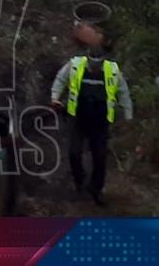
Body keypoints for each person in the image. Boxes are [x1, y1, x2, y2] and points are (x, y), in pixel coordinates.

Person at [50, 46, 133, 206]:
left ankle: (96, 189)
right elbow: (60, 79)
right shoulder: (75, 65)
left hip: (100, 120)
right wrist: (55, 97)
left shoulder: (112, 70)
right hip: (78, 117)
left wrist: (128, 116)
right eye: (92, 63)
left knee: (100, 156)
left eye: (98, 64)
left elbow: (123, 93)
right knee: (74, 152)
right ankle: (80, 182)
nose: (94, 68)